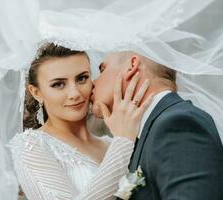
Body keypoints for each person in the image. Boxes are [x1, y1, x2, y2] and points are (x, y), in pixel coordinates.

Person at [7, 43, 153, 200]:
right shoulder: (30, 146)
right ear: (36, 92)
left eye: (82, 78)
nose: (75, 93)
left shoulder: (111, 143)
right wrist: (124, 142)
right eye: (58, 84)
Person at [91, 51, 223, 199]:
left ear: (132, 66)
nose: (92, 83)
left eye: (102, 69)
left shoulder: (178, 124)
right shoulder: (147, 132)